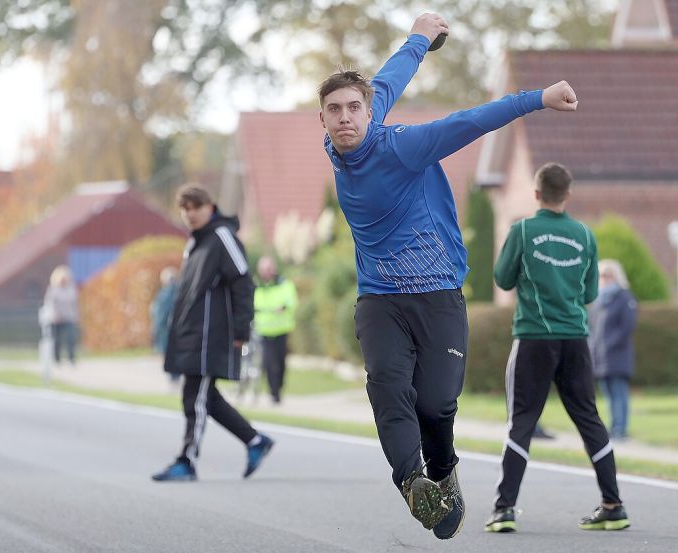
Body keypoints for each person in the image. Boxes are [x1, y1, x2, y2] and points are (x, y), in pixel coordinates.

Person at [317, 12, 578, 539]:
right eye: (333, 111)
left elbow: (472, 120)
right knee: (388, 387)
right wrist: (420, 35)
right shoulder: (344, 138)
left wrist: (538, 97)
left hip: (438, 295)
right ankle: (414, 484)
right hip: (380, 299)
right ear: (322, 120)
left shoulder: (404, 147)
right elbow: (390, 76)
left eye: (353, 108)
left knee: (435, 406)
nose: (345, 118)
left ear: (368, 115)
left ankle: (442, 472)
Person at [486, 163, 630, 533]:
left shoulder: (521, 230)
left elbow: (502, 280)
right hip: (575, 340)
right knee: (589, 419)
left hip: (534, 337)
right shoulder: (584, 234)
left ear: (536, 194)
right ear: (568, 195)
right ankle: (613, 504)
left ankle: (504, 510)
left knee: (522, 422)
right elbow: (591, 293)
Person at [151, 185, 274, 482]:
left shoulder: (222, 237)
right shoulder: (195, 243)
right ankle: (255, 441)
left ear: (211, 206)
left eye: (195, 206)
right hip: (192, 336)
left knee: (194, 398)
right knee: (207, 399)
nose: (190, 214)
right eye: (185, 208)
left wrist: (242, 329)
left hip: (212, 336)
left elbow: (243, 283)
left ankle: (187, 461)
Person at [589, 259, 638, 441]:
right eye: (601, 275)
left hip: (617, 355)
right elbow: (592, 327)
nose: (604, 278)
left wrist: (609, 344)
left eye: (608, 274)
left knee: (619, 393)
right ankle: (612, 426)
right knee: (608, 394)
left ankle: (620, 428)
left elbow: (627, 326)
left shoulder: (625, 298)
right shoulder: (599, 300)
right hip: (600, 356)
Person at [253, 256, 298, 404]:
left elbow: (291, 301)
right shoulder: (257, 285)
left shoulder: (284, 284)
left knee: (280, 363)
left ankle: (278, 387)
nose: (266, 272)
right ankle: (274, 392)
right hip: (264, 330)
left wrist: (283, 307)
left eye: (268, 269)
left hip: (281, 329)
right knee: (268, 363)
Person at [43, 265, 79, 366]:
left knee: (70, 339)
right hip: (56, 319)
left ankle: (71, 359)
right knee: (57, 340)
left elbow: (74, 304)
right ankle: (57, 359)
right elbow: (50, 303)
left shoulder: (71, 289)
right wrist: (55, 315)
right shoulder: (53, 290)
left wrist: (76, 316)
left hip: (69, 317)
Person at [151, 266, 180, 385]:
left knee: (169, 353)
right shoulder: (181, 292)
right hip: (178, 329)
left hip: (166, 330)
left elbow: (159, 315)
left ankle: (174, 377)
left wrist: (155, 330)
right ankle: (175, 376)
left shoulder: (164, 294)